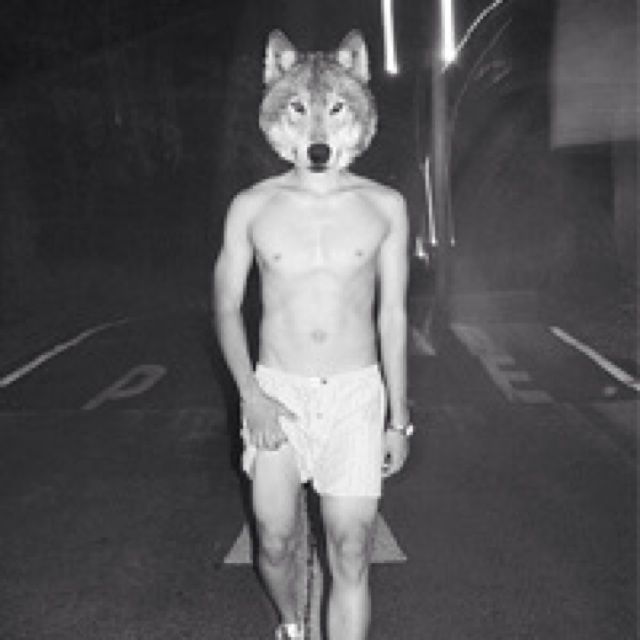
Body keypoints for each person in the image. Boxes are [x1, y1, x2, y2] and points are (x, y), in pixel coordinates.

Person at [213, 29, 413, 640]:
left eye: (336, 110)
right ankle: (292, 623)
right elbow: (225, 307)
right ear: (277, 111)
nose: (317, 133)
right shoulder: (251, 207)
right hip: (277, 391)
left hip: (356, 394)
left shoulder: (386, 206)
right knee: (274, 542)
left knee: (351, 549)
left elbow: (393, 316)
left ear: (359, 114)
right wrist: (251, 396)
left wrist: (399, 419)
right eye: (299, 110)